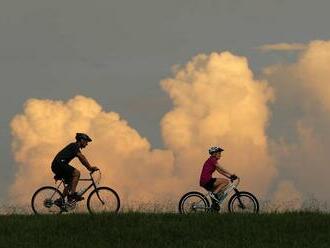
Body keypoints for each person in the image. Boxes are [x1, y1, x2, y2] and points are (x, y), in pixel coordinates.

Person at [51, 133, 98, 206]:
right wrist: (90, 168)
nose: (87, 144)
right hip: (58, 164)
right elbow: (82, 158)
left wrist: (89, 168)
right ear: (81, 140)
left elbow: (82, 159)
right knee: (77, 173)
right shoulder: (74, 146)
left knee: (71, 182)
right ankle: (72, 196)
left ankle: (60, 200)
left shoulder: (75, 147)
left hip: (58, 165)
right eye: (86, 141)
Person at [199, 146, 237, 211]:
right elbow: (221, 168)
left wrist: (229, 177)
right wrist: (231, 174)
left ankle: (214, 208)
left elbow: (220, 171)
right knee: (226, 182)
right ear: (214, 154)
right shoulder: (212, 159)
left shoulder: (212, 160)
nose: (220, 155)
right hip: (207, 180)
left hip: (204, 181)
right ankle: (214, 193)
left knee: (215, 200)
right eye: (219, 153)